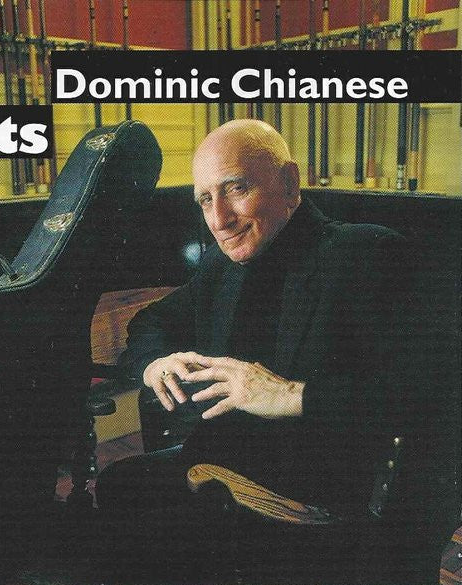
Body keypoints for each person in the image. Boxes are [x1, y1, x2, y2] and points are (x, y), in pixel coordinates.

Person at [94, 120, 425, 585]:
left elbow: (428, 398)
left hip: (309, 503)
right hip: (222, 470)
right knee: (120, 488)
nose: (219, 219)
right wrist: (155, 364)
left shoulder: (367, 254)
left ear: (289, 184)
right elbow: (152, 321)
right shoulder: (222, 264)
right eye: (205, 199)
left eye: (236, 189)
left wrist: (290, 395)